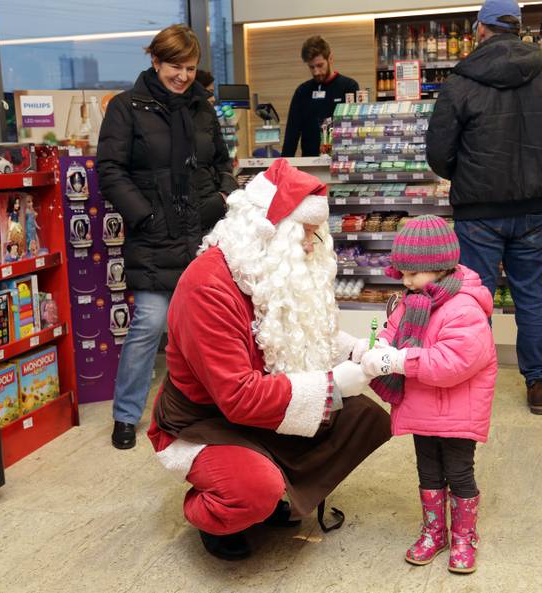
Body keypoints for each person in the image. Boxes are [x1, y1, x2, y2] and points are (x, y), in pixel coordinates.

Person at [147, 158, 391, 560]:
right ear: (268, 230)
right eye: (305, 234)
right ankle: (211, 513)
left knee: (363, 418)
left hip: (259, 405)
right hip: (205, 419)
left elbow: (302, 334)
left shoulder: (266, 269)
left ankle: (282, 492)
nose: (312, 245)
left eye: (316, 235)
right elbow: (238, 397)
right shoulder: (208, 287)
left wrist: (359, 353)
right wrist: (332, 386)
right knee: (252, 489)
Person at [426, 0, 542, 415]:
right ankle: (539, 384)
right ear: (518, 27)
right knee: (532, 296)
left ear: (481, 29)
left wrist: (470, 172)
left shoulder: (460, 81)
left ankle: (475, 379)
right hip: (536, 212)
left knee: (474, 299)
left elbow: (438, 153)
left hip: (478, 213)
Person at [97, 24, 236, 450]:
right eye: (176, 66)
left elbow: (221, 162)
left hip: (204, 233)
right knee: (149, 325)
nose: (183, 75)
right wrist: (146, 216)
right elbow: (110, 171)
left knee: (205, 328)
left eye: (191, 68)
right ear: (155, 60)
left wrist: (223, 196)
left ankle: (200, 409)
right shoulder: (126, 107)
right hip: (155, 235)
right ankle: (126, 415)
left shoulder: (201, 108)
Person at [357, 215, 496, 574]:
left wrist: (399, 360)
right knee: (428, 471)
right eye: (401, 273)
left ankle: (465, 536)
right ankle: (434, 531)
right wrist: (378, 350)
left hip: (457, 412)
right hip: (422, 408)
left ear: (437, 267)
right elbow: (392, 330)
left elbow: (454, 363)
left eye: (410, 274)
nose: (404, 282)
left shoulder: (464, 307)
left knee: (459, 472)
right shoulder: (412, 300)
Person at [281, 36, 359, 157]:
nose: (316, 72)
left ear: (330, 59)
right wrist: (283, 165)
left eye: (319, 65)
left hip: (341, 160)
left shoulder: (349, 87)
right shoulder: (302, 91)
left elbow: (356, 128)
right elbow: (292, 132)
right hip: (309, 163)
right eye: (311, 67)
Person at [187, 68, 238, 232]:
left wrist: (224, 195)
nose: (213, 98)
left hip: (211, 206)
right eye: (208, 92)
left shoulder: (207, 114)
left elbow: (222, 159)